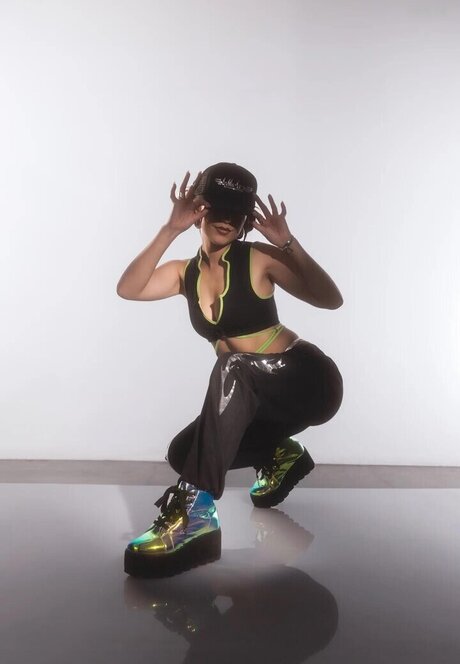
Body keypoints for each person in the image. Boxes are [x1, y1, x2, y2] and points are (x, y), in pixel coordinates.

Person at [117, 162, 344, 578]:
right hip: (259, 402)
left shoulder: (257, 258)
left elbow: (330, 299)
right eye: (217, 208)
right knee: (183, 453)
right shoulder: (184, 274)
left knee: (234, 365)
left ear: (245, 221)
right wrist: (170, 229)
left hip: (307, 380)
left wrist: (287, 242)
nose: (225, 219)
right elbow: (128, 288)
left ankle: (195, 516)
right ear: (199, 210)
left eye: (236, 213)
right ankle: (280, 452)